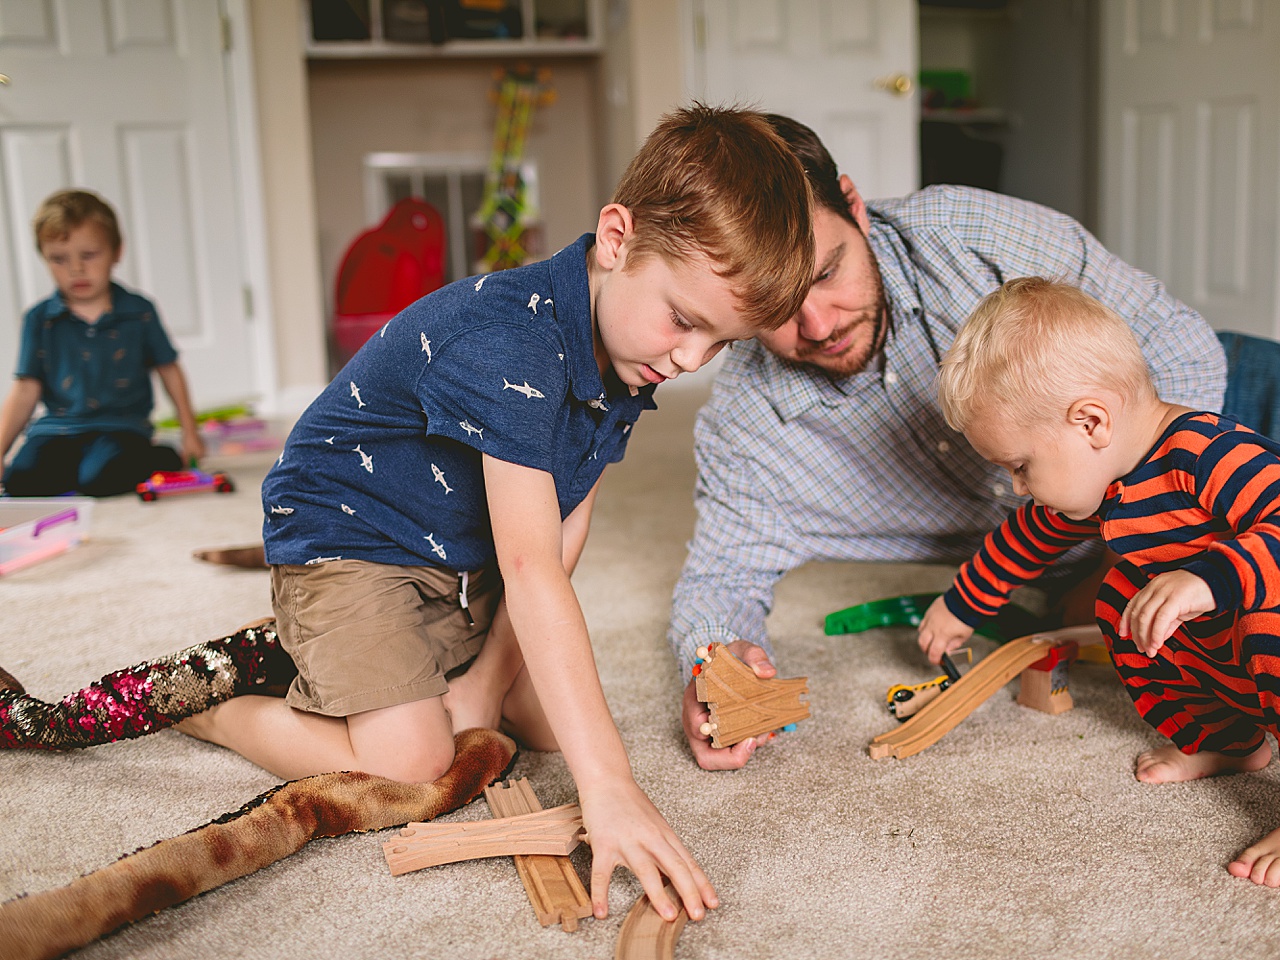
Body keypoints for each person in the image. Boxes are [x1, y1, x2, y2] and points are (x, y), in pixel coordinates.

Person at [172, 105, 814, 923]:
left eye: (720, 343)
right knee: (414, 764)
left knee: (545, 727)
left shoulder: (627, 350)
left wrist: (486, 683)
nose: (690, 360)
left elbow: (561, 529)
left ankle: (420, 667)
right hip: (346, 538)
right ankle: (221, 709)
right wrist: (610, 786)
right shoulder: (511, 342)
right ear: (616, 239)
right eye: (685, 320)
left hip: (449, 557)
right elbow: (529, 566)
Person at [671, 114, 1280, 770]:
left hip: (1229, 399)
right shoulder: (750, 426)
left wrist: (1133, 542)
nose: (816, 323)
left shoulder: (969, 233)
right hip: (1185, 569)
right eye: (771, 306)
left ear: (854, 206)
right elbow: (718, 575)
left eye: (828, 271)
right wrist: (717, 665)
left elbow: (1173, 341)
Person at [918, 277, 1280, 893]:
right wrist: (960, 605)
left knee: (1275, 620)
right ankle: (1227, 740)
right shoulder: (1104, 481)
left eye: (1021, 466)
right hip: (1267, 669)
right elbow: (1023, 539)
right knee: (1122, 599)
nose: (1018, 487)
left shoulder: (1210, 453)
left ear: (1091, 422)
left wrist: (1209, 578)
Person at [0, 189, 204, 496]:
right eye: (59, 259)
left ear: (116, 252)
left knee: (99, 480)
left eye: (89, 255)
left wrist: (190, 432)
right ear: (44, 257)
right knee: (20, 481)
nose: (76, 269)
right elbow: (26, 388)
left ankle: (162, 457)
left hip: (121, 428)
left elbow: (169, 370)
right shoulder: (39, 319)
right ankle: (76, 470)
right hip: (58, 429)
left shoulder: (140, 312)